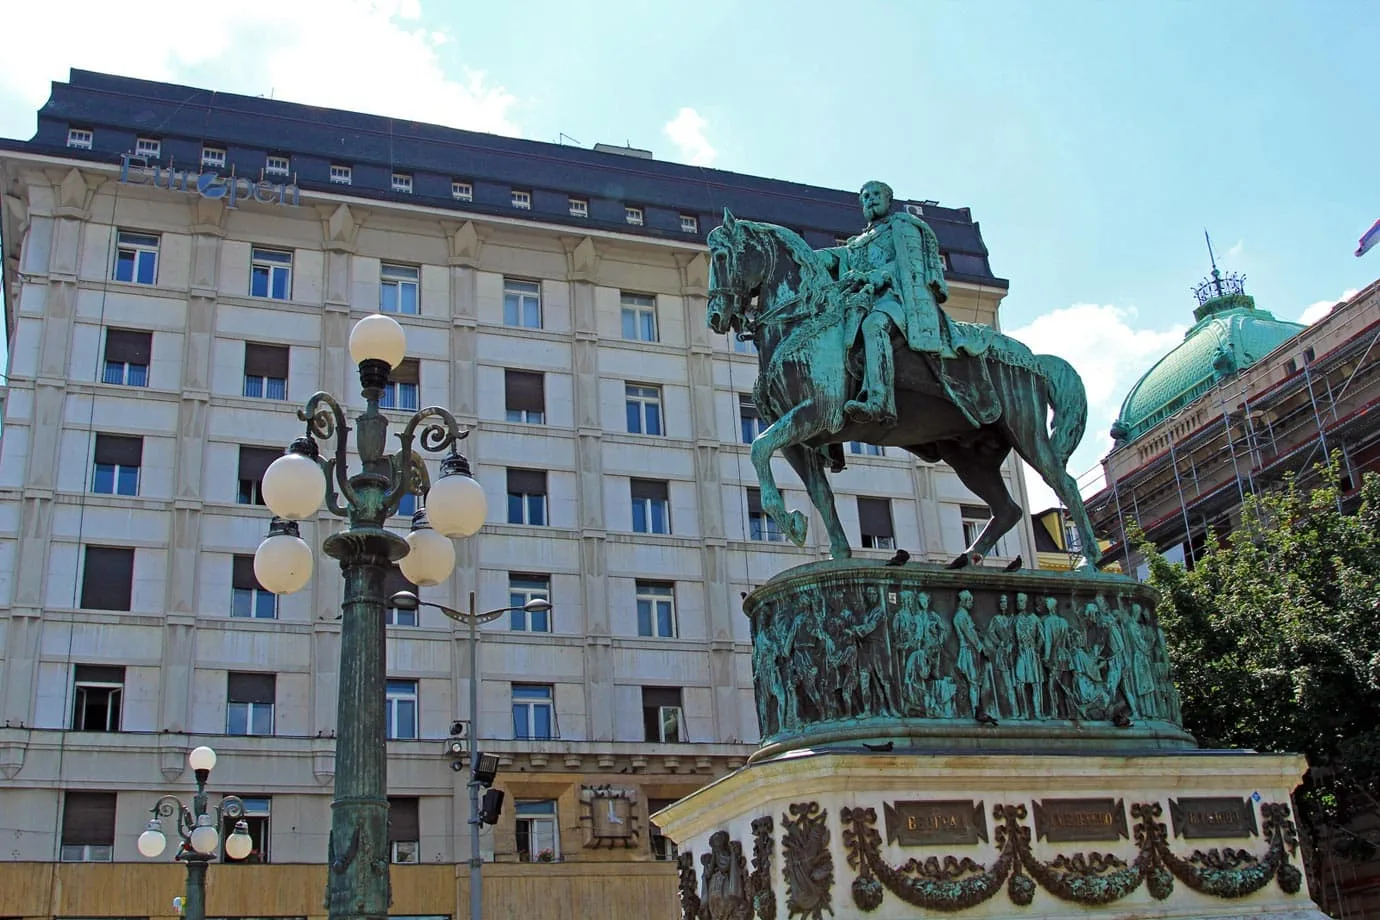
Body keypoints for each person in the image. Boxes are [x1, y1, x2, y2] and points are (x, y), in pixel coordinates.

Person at [816, 180, 993, 427]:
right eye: (865, 196)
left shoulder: (902, 227)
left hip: (897, 298)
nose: (871, 199)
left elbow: (909, 264)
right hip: (864, 300)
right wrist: (799, 253)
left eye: (876, 194)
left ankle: (879, 401)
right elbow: (837, 257)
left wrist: (877, 276)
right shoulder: (858, 242)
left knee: (874, 326)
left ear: (889, 199)